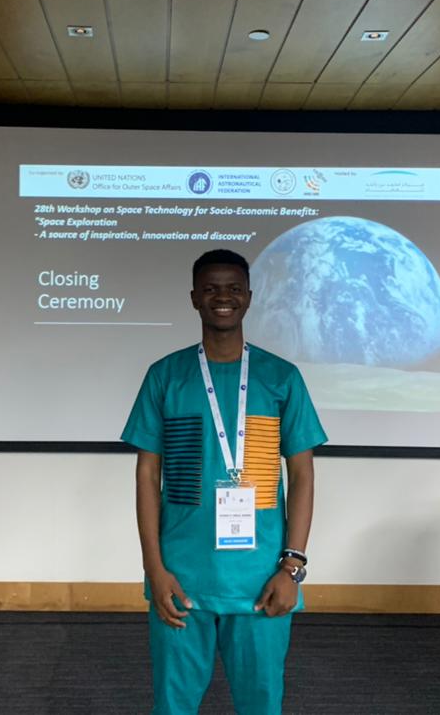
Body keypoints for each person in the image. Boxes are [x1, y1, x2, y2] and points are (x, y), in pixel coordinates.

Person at [122, 249, 327, 714]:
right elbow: (147, 474)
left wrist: (292, 568)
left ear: (249, 297)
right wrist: (154, 569)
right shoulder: (165, 376)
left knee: (262, 704)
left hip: (262, 580)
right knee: (173, 705)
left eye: (233, 288)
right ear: (194, 297)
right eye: (211, 289)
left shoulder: (281, 378)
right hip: (181, 577)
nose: (222, 298)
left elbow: (302, 473)